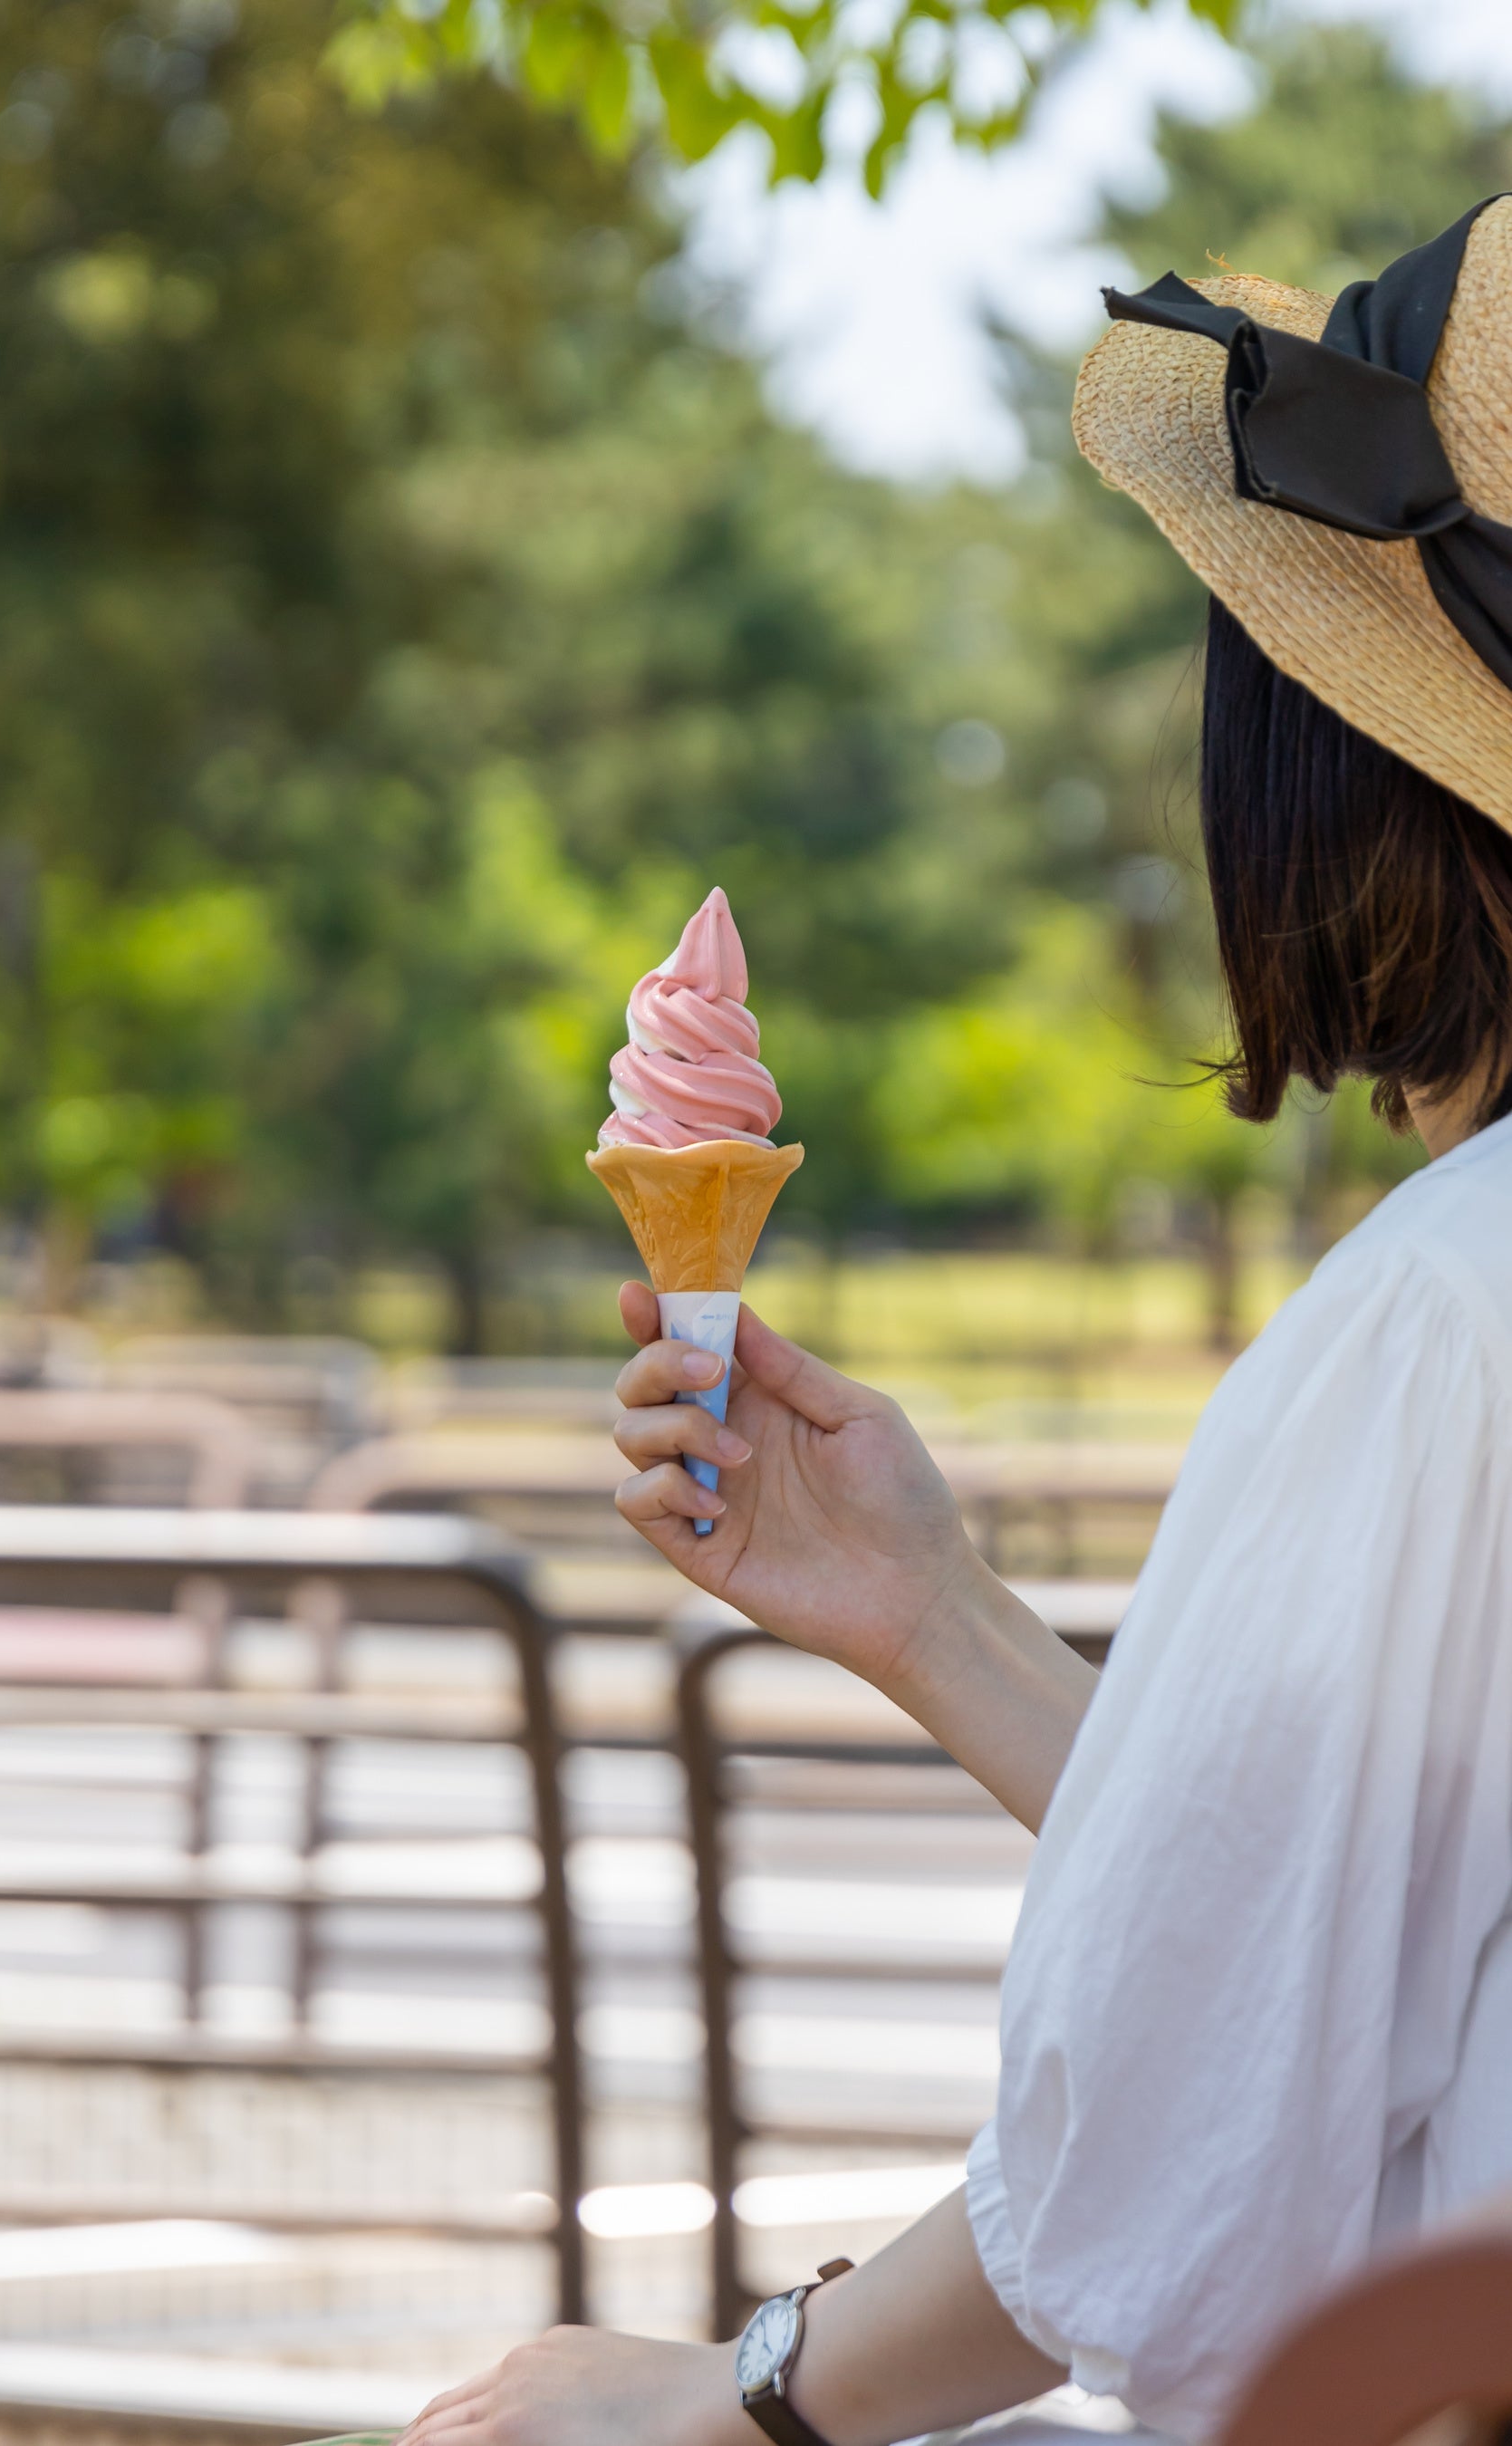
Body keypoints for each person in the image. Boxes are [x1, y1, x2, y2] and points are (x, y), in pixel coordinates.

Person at [405, 197, 1512, 2445]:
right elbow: (1327, 1941)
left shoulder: (1447, 1315)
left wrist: (735, 2396)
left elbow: (1189, 2173)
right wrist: (933, 1612)